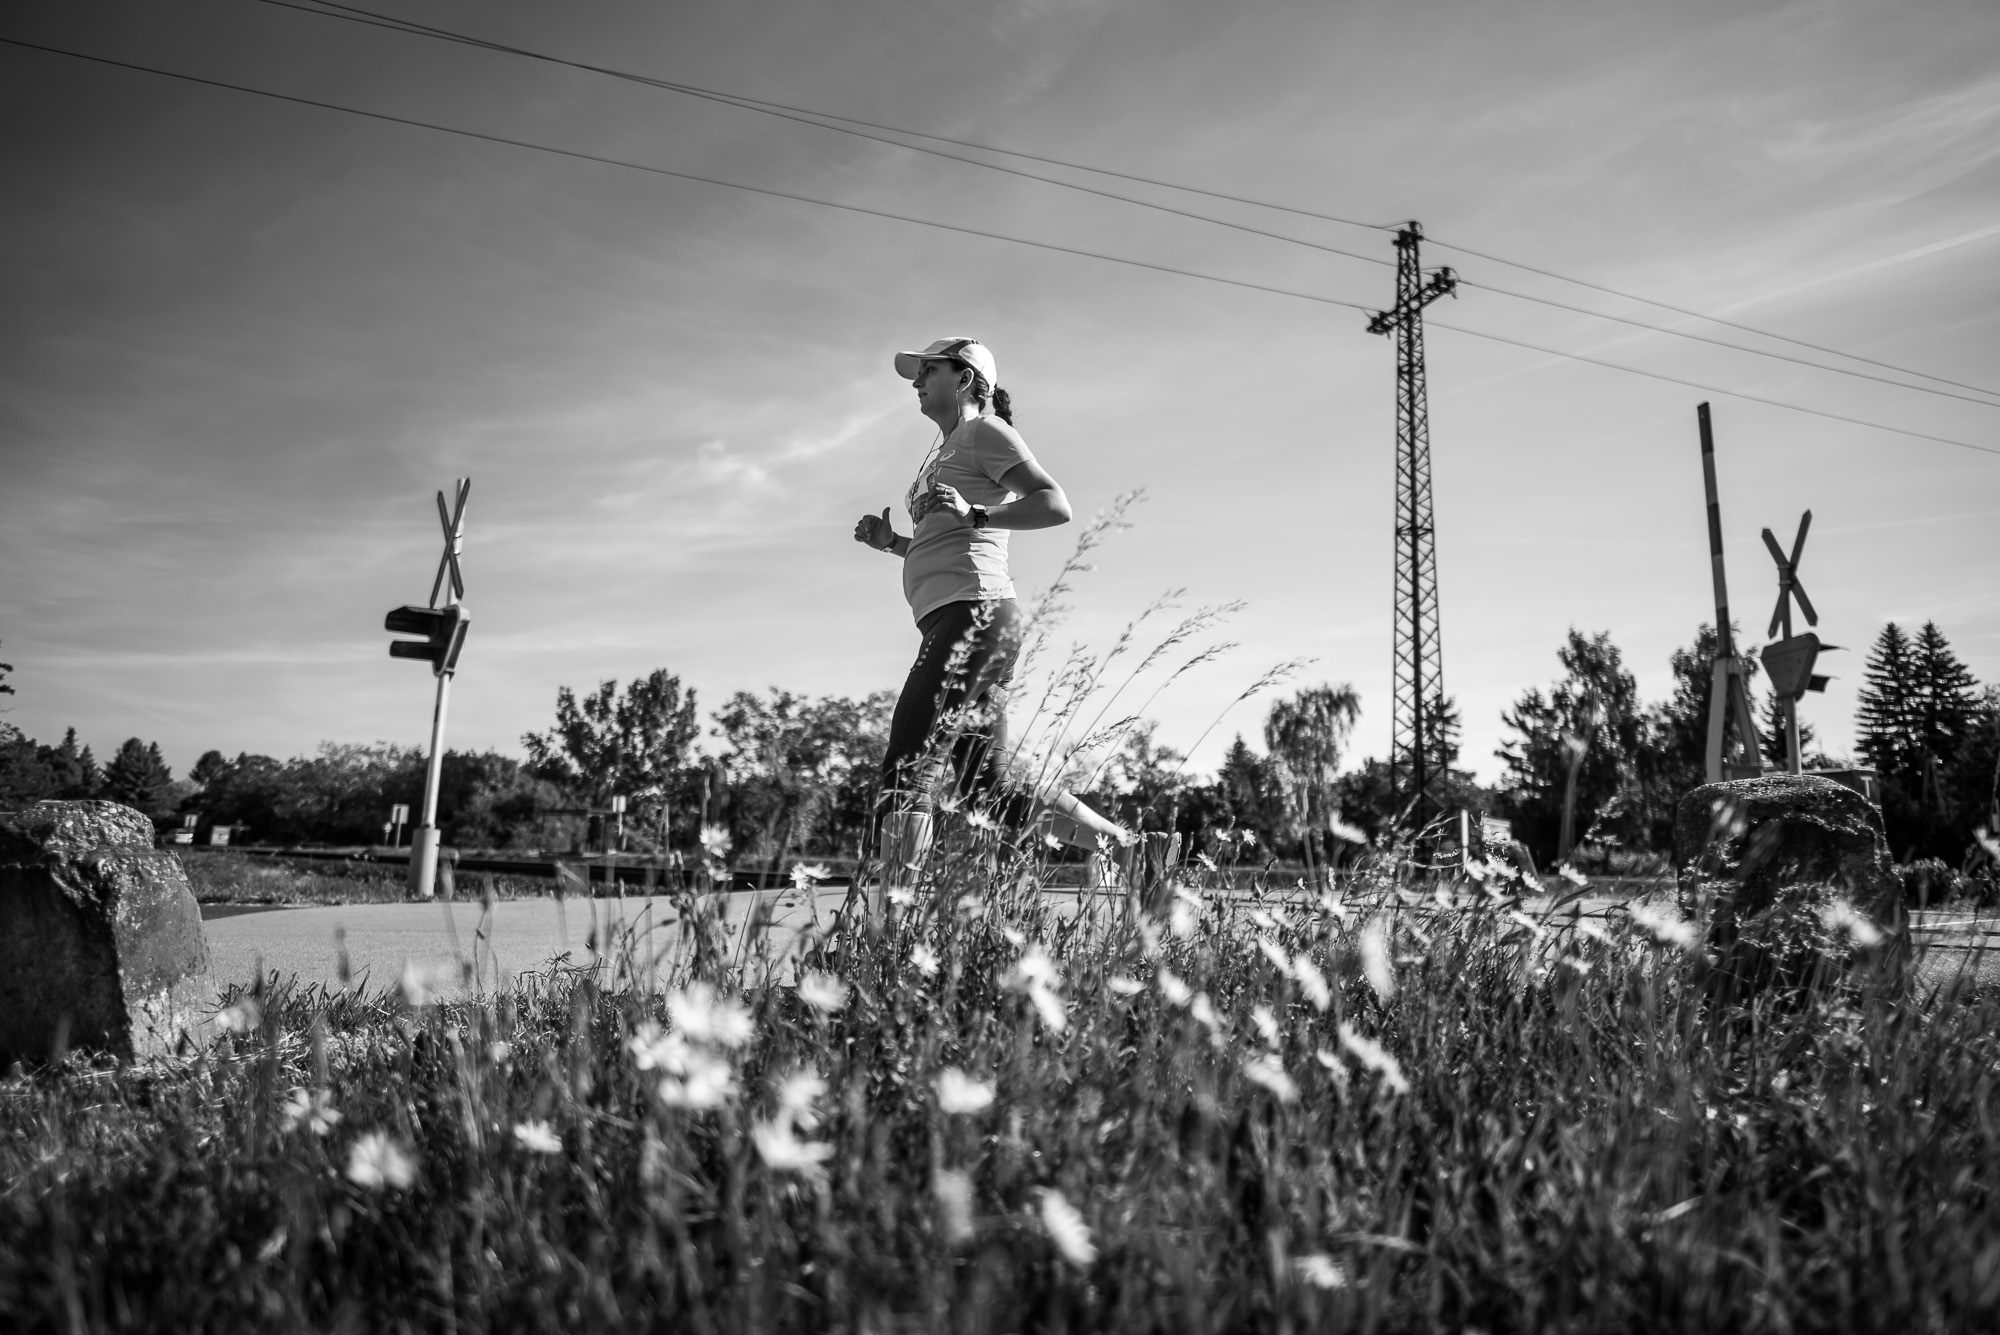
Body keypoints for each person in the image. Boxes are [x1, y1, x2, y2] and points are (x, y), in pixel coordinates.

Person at [853, 336, 1130, 886]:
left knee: (909, 767)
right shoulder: (948, 448)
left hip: (972, 617)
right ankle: (1120, 844)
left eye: (927, 370)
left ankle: (890, 936)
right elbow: (949, 539)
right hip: (959, 618)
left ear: (965, 378)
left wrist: (977, 511)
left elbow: (1054, 504)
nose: (916, 381)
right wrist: (894, 544)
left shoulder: (984, 431)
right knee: (989, 790)